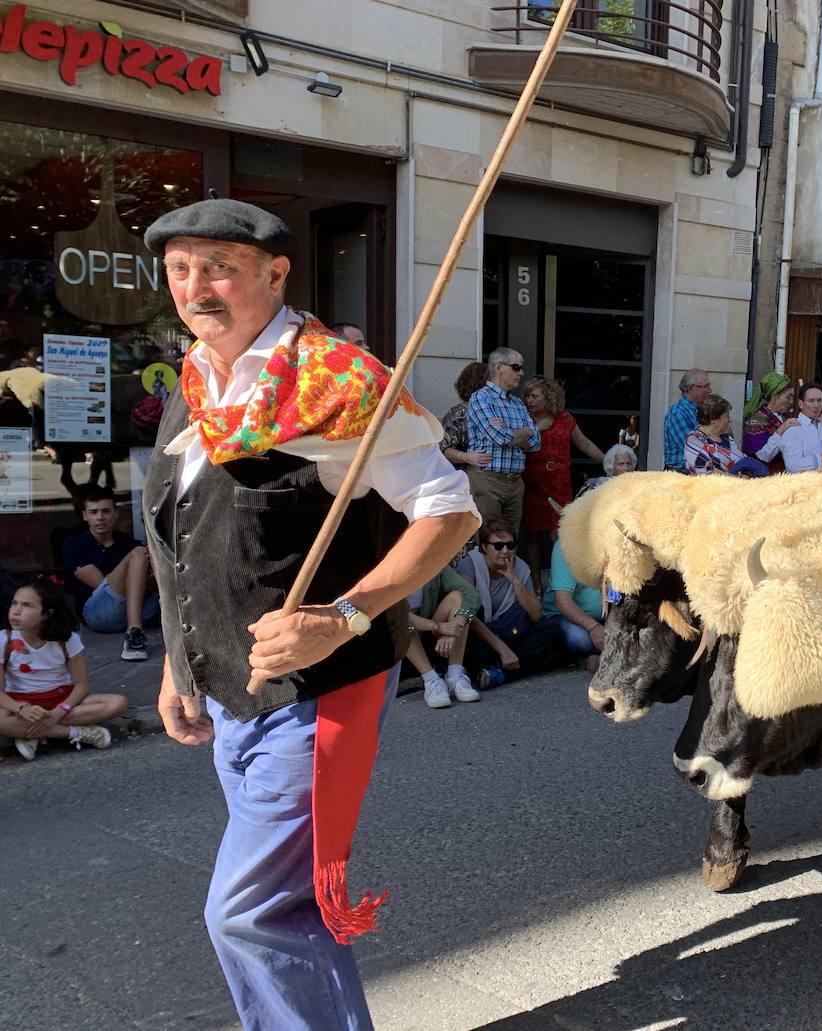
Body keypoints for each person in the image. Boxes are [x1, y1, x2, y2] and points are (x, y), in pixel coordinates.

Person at [142, 197, 480, 1030]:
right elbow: (184, 540)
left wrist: (343, 613)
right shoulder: (195, 380)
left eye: (219, 266)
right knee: (282, 908)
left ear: (275, 272)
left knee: (248, 911)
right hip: (229, 691)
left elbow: (451, 512)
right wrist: (177, 665)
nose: (197, 287)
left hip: (318, 695)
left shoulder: (339, 383)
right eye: (181, 269)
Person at [2, 578, 128, 760]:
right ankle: (73, 733)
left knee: (117, 703)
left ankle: (28, 734)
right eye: (14, 603)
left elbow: (82, 685)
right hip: (20, 704)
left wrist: (58, 712)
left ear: (47, 613)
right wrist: (21, 709)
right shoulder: (4, 640)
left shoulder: (67, 639)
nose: (16, 611)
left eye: (27, 605)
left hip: (60, 699)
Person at [455, 522, 567, 688]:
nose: (505, 551)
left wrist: (515, 580)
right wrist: (503, 650)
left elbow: (536, 614)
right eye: (498, 546)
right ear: (485, 547)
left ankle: (499, 673)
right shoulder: (469, 565)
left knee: (551, 629)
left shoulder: (520, 567)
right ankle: (505, 668)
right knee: (476, 636)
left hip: (508, 631)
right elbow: (467, 615)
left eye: (510, 545)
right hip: (481, 635)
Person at [521, 376, 604, 593]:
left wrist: (609, 461)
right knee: (531, 535)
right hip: (532, 480)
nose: (529, 400)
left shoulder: (565, 418)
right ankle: (537, 583)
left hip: (559, 481)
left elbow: (584, 444)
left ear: (548, 397)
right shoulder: (524, 418)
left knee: (560, 531)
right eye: (527, 396)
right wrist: (537, 427)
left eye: (534, 396)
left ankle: (562, 583)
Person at [60, 486, 159, 661]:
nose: (100, 517)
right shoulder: (74, 544)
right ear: (85, 516)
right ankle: (133, 632)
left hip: (142, 609)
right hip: (98, 613)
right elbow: (100, 585)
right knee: (139, 553)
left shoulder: (127, 542)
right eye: (93, 512)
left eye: (106, 511)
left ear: (116, 513)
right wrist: (138, 579)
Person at [467, 347, 541, 533]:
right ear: (498, 367)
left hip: (515, 484)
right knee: (488, 542)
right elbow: (498, 437)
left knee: (510, 543)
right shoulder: (481, 398)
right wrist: (523, 431)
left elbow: (536, 443)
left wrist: (509, 431)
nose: (521, 373)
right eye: (516, 367)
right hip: (487, 482)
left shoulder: (517, 403)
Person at [404, 566, 480, 708]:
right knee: (400, 621)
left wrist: (455, 627)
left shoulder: (432, 564)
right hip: (405, 641)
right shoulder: (389, 572)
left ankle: (455, 674)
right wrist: (438, 627)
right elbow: (391, 614)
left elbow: (471, 593)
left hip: (429, 633)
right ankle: (431, 680)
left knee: (458, 597)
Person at [543, 538, 605, 673]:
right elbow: (562, 602)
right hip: (565, 617)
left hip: (603, 617)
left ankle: (597, 658)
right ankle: (581, 659)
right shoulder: (567, 545)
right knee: (580, 640)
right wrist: (594, 628)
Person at [440, 361, 495, 472]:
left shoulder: (493, 410)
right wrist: (465, 457)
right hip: (465, 479)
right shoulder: (458, 414)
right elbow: (443, 449)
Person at [741, 372, 798, 473]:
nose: (791, 402)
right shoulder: (757, 420)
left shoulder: (786, 416)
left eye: (792, 397)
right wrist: (780, 430)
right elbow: (763, 457)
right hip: (768, 478)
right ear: (774, 397)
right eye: (788, 396)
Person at [780, 382, 822, 471]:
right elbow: (793, 466)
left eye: (819, 400)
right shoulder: (793, 430)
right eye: (811, 400)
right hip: (804, 484)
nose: (816, 405)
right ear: (801, 404)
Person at [664, 369, 712, 472]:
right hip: (679, 477)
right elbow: (694, 451)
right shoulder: (678, 413)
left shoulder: (700, 410)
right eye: (706, 386)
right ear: (690, 388)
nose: (710, 390)